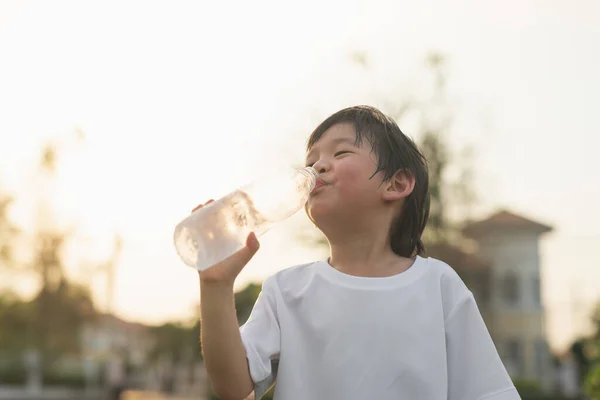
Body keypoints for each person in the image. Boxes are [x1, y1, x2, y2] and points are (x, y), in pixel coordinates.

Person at [196, 105, 520, 400]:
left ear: (396, 184)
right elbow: (233, 387)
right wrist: (216, 286)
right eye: (311, 162)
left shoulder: (438, 286)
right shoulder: (286, 291)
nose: (317, 167)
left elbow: (489, 392)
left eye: (341, 152)